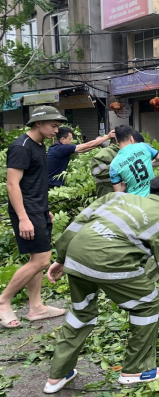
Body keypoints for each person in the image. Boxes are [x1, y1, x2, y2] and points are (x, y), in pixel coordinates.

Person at [43, 176, 159, 393]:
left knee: (80, 314)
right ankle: (136, 369)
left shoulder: (115, 197)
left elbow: (76, 224)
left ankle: (56, 376)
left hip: (77, 256)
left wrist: (61, 258)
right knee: (148, 303)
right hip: (110, 261)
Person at [0, 106, 68, 329]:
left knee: (36, 261)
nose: (56, 131)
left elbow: (34, 183)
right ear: (38, 123)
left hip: (37, 209)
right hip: (26, 211)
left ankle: (36, 306)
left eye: (58, 127)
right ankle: (3, 300)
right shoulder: (21, 147)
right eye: (53, 126)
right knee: (42, 260)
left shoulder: (39, 145)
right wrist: (24, 217)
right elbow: (12, 184)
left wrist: (43, 208)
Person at [109, 125, 159, 196]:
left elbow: (118, 191)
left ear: (117, 140)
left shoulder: (114, 165)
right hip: (152, 197)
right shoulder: (143, 146)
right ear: (131, 138)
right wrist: (148, 163)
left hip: (134, 202)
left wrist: (126, 183)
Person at [47, 127, 116, 188]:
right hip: (52, 184)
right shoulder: (61, 148)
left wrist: (97, 144)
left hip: (51, 182)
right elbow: (87, 145)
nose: (71, 141)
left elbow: (83, 150)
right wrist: (107, 137)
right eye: (70, 139)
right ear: (62, 139)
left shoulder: (57, 147)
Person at [91, 128, 145, 197]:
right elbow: (95, 170)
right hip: (107, 197)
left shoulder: (133, 155)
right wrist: (120, 167)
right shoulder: (107, 152)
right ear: (130, 140)